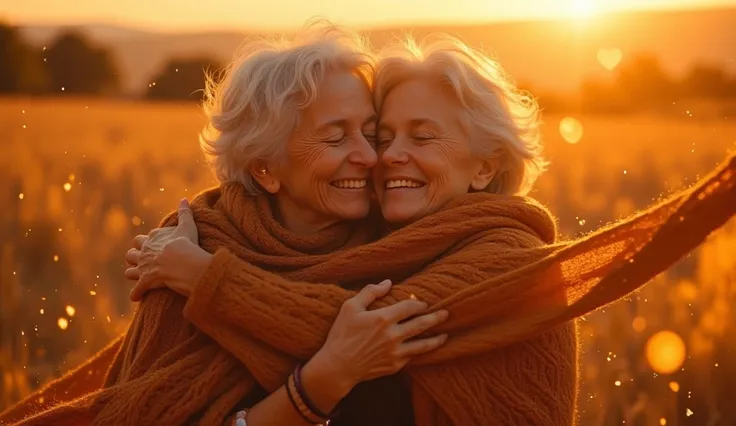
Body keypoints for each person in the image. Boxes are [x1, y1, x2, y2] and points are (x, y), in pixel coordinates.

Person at [121, 35, 736, 426]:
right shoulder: (208, 236)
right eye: (378, 136)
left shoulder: (507, 257)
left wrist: (209, 280)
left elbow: (367, 331)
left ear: (487, 165)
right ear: (264, 168)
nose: (380, 157)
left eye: (423, 136)